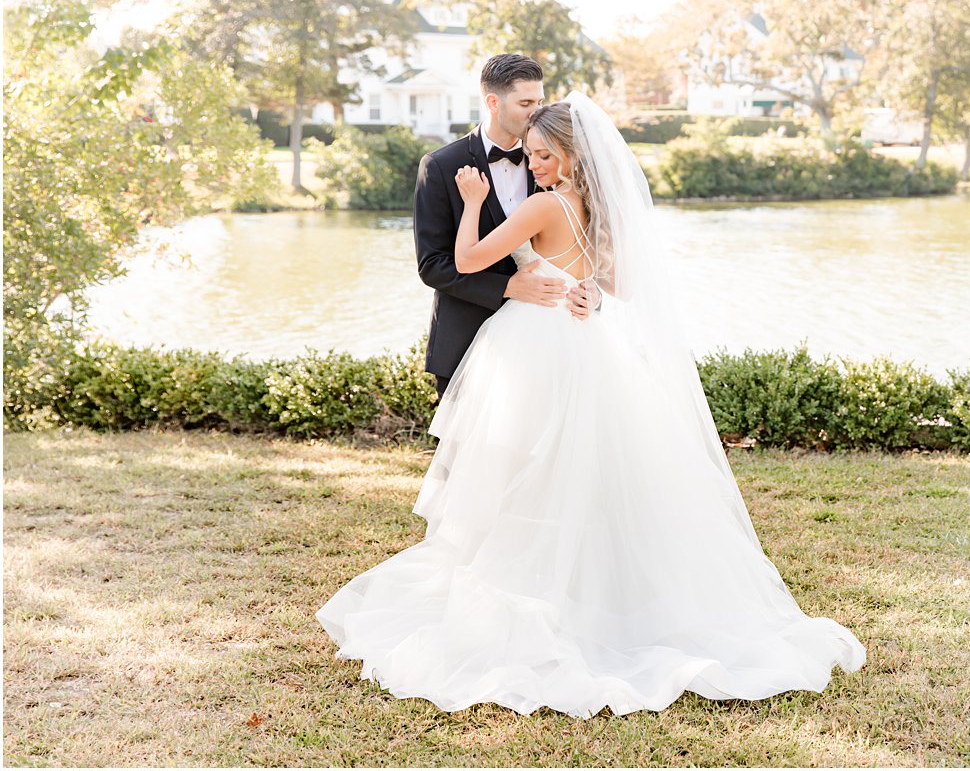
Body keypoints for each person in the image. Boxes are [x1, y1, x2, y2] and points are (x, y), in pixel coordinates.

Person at [316, 91, 866, 717]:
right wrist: (592, 296)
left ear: (573, 157)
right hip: (589, 345)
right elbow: (621, 285)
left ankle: (540, 596)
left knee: (530, 471)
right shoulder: (600, 209)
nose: (535, 165)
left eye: (545, 155)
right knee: (588, 470)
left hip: (536, 346)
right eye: (530, 154)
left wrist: (471, 205)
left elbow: (468, 260)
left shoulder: (546, 204)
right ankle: (594, 592)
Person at [411, 54, 599, 399]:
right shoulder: (441, 166)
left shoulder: (552, 163)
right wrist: (507, 287)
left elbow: (588, 247)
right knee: (468, 451)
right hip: (465, 339)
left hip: (549, 340)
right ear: (493, 102)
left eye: (540, 101)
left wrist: (593, 293)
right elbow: (432, 266)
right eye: (526, 102)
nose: (536, 112)